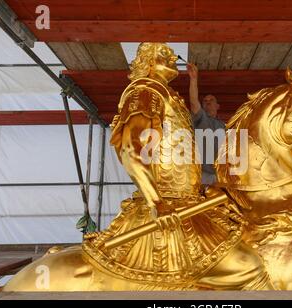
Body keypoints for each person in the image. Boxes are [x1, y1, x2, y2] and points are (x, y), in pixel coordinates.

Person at [82, 43, 272, 291]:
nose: (172, 56)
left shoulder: (167, 96)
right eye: (163, 53)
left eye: (171, 53)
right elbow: (131, 150)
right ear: (147, 62)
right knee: (248, 269)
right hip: (168, 209)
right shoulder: (145, 92)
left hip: (187, 204)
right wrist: (157, 203)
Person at [187, 63, 225, 184]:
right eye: (205, 101)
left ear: (217, 106)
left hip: (222, 176)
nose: (207, 102)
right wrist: (193, 79)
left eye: (211, 100)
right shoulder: (201, 118)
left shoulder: (226, 126)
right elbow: (193, 102)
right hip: (202, 176)